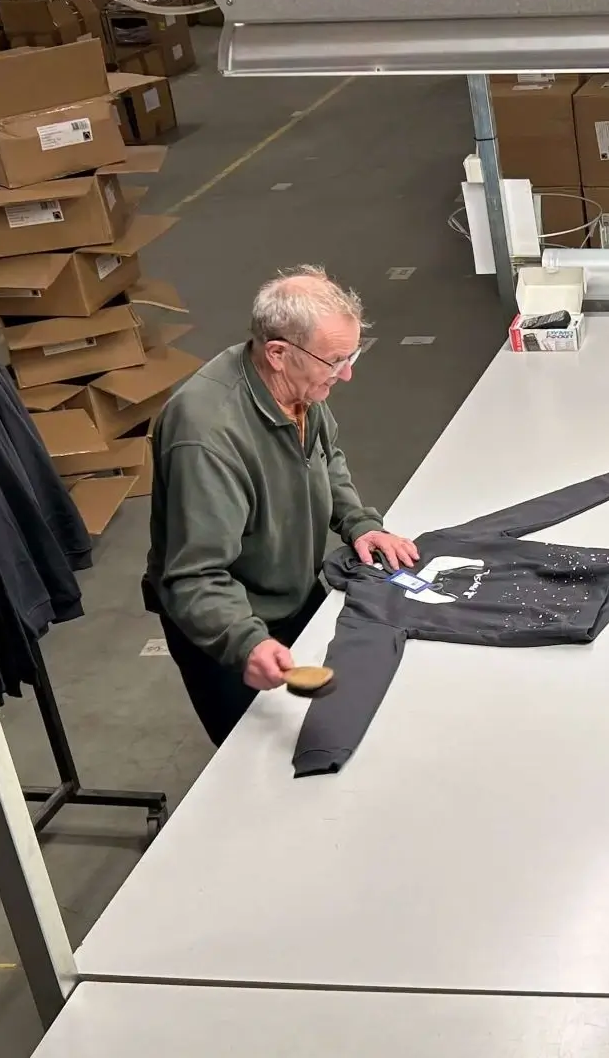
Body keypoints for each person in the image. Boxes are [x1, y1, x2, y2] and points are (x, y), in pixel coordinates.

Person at [145, 266, 418, 745]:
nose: (347, 373)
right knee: (257, 763)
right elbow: (193, 575)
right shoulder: (206, 436)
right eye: (336, 360)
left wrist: (358, 524)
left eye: (352, 355)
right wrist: (246, 642)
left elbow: (324, 456)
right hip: (225, 621)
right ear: (277, 353)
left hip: (292, 593)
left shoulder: (299, 385)